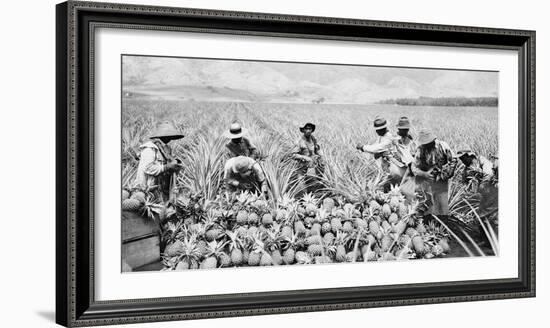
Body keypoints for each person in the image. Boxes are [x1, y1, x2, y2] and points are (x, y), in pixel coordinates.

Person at [411, 130, 456, 217]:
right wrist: (424, 174)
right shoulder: (420, 149)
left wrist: (446, 174)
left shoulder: (443, 146)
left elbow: (453, 160)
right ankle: (429, 222)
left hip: (441, 179)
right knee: (427, 205)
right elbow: (414, 167)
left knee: (442, 206)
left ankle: (443, 222)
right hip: (426, 179)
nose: (427, 145)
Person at [135, 121, 184, 201]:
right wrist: (166, 167)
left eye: (170, 136)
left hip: (161, 187)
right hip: (147, 189)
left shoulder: (167, 149)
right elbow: (148, 168)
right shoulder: (150, 148)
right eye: (167, 136)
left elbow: (169, 163)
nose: (169, 138)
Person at [356, 117, 406, 191]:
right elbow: (375, 146)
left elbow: (376, 148)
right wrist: (364, 148)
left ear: (383, 129)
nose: (377, 132)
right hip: (389, 167)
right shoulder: (382, 137)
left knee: (393, 183)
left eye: (378, 130)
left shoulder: (388, 138)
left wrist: (363, 147)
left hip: (396, 169)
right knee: (388, 183)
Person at [456, 145, 498, 218]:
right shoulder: (466, 170)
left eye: (463, 157)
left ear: (469, 155)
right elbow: (464, 184)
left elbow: (488, 175)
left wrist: (480, 189)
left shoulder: (481, 160)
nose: (462, 160)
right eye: (461, 158)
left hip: (491, 188)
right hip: (480, 193)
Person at [394, 116, 417, 201]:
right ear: (399, 129)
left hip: (408, 168)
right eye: (402, 129)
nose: (404, 131)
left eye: (406, 129)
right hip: (397, 168)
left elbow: (415, 154)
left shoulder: (411, 142)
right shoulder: (394, 140)